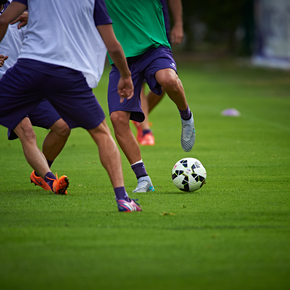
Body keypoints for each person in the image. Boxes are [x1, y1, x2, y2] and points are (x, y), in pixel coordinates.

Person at [0, 0, 141, 212]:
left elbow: (4, 19)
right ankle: (123, 199)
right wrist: (126, 76)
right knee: (102, 133)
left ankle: (43, 174)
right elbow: (112, 45)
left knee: (62, 127)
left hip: (29, 69)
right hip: (67, 74)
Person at [105, 0, 195, 193]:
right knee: (118, 118)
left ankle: (186, 117)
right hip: (123, 58)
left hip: (154, 47)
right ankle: (143, 179)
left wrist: (178, 23)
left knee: (168, 80)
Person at [0, 0, 71, 193]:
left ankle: (40, 173)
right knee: (27, 132)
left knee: (63, 127)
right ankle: (51, 181)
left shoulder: (19, 7)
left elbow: (60, 25)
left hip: (28, 84)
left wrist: (33, 17)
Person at [134, 0, 184, 146]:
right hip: (130, 25)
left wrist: (179, 23)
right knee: (138, 82)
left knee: (164, 81)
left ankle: (139, 116)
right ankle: (145, 130)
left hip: (158, 24)